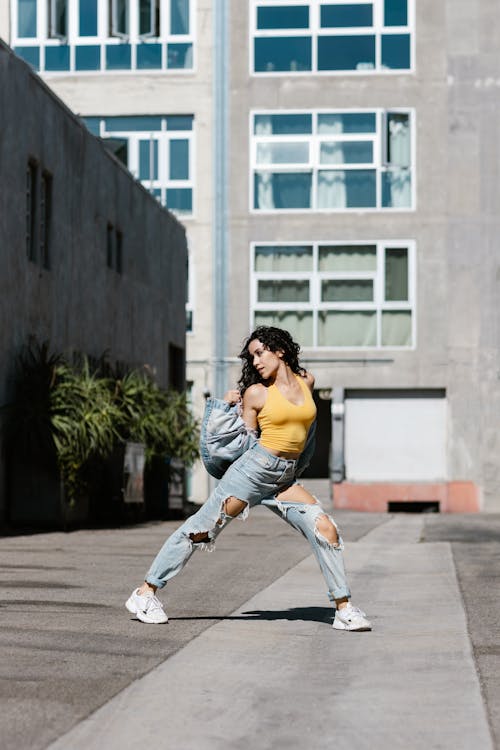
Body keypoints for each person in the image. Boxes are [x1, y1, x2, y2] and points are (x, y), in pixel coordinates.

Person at [126, 326, 371, 631]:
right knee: (202, 530)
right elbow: (243, 440)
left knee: (325, 530)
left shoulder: (306, 382)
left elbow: (307, 432)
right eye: (252, 356)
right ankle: (145, 593)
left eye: (260, 353)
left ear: (279, 350)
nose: (255, 362)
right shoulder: (257, 393)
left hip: (284, 478)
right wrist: (230, 407)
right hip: (252, 473)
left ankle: (344, 608)